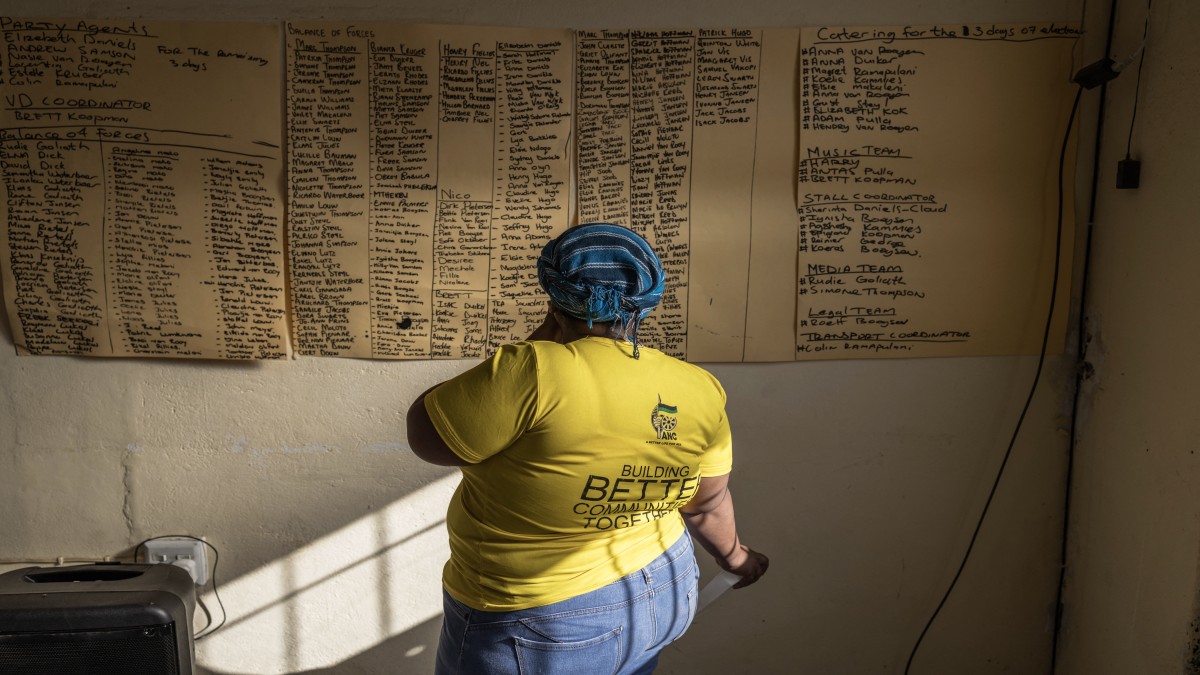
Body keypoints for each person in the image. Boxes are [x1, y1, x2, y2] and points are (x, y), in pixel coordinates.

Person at [406, 222, 768, 674]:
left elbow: (426, 435)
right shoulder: (698, 386)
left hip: (544, 620)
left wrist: (546, 332)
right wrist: (736, 557)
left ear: (555, 297)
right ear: (648, 302)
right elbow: (706, 503)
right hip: (665, 586)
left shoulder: (531, 370)